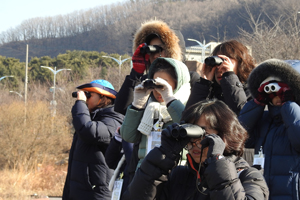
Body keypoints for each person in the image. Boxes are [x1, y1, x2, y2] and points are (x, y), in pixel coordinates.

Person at [122, 99, 269, 200]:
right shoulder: (179, 175)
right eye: (190, 135)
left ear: (224, 134)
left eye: (202, 134)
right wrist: (163, 156)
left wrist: (217, 161)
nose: (195, 143)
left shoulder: (249, 176)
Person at [238, 59, 300, 200]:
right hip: (264, 193)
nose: (277, 97)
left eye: (282, 92)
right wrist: (257, 103)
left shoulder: (294, 118)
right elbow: (238, 136)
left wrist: (288, 103)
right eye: (272, 93)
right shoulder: (265, 120)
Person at [120, 57, 191, 169]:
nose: (158, 90)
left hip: (175, 173)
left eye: (163, 85)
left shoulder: (188, 105)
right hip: (145, 173)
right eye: (155, 85)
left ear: (178, 83)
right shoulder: (148, 106)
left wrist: (169, 99)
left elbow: (189, 129)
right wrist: (137, 105)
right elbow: (128, 136)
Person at [62, 80, 124, 200]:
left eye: (89, 95)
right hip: (81, 192)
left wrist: (80, 103)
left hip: (97, 193)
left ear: (103, 97)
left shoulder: (114, 119)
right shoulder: (91, 118)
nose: (85, 99)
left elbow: (89, 132)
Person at [185, 40, 256, 115]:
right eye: (217, 62)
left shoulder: (253, 90)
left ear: (241, 64)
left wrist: (229, 76)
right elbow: (187, 118)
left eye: (225, 61)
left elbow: (243, 116)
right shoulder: (209, 90)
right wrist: (204, 83)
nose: (219, 68)